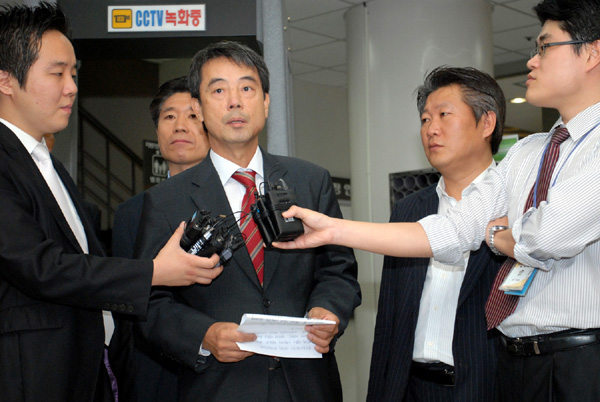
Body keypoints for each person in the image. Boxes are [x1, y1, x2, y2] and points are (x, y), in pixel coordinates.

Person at [276, 0, 600, 400]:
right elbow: (452, 230)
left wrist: (498, 237)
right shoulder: (526, 152)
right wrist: (334, 229)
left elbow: (548, 235)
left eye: (544, 47)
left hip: (582, 359)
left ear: (591, 52)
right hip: (518, 364)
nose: (532, 60)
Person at [0, 3, 222, 401]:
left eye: (73, 74)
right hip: (34, 374)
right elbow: (41, 267)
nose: (72, 87)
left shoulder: (46, 163)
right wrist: (154, 272)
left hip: (89, 371)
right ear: (5, 80)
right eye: (57, 73)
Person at [134, 40, 361, 402]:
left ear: (266, 102)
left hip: (307, 386)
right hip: (219, 388)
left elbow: (339, 271)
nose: (235, 102)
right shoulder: (165, 201)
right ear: (198, 108)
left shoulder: (310, 181)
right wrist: (204, 335)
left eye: (247, 88)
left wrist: (329, 310)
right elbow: (150, 302)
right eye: (219, 90)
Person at [367, 66, 506, 402]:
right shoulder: (409, 210)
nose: (431, 129)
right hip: (412, 387)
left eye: (444, 115)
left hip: (490, 386)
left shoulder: (517, 202)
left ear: (487, 123)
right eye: (425, 119)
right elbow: (389, 319)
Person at [111, 76, 210, 402]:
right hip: (152, 372)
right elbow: (126, 305)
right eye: (169, 116)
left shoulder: (236, 204)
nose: (180, 126)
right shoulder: (131, 212)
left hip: (221, 368)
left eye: (192, 116)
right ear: (157, 131)